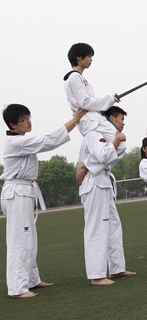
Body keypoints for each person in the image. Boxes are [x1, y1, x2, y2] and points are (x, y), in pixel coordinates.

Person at [0, 104, 87, 298]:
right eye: (24, 119)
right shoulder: (16, 142)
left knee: (29, 238)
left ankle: (31, 280)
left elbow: (47, 140)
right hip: (17, 192)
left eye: (29, 116)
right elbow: (49, 140)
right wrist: (75, 119)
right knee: (19, 239)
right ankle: (17, 288)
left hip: (24, 190)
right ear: (13, 124)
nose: (29, 121)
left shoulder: (22, 139)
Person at [79, 106, 135, 285]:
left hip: (102, 182)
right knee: (97, 228)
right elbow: (104, 156)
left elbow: (112, 157)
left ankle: (117, 268)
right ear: (110, 118)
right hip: (94, 183)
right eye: (121, 119)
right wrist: (116, 142)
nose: (123, 123)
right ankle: (97, 275)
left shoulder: (108, 137)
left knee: (113, 226)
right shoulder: (95, 134)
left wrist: (86, 165)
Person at [64, 43, 125, 182]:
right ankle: (86, 166)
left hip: (93, 119)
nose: (91, 59)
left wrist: (110, 100)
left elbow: (87, 101)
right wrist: (110, 99)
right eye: (89, 56)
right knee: (120, 145)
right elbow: (85, 102)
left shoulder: (79, 78)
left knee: (110, 150)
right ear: (79, 57)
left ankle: (87, 166)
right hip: (91, 121)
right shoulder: (74, 77)